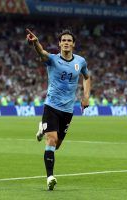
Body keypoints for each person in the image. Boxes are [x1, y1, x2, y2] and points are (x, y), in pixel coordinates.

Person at [26, 28, 90, 190]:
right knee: (51, 140)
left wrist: (86, 96)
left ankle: (42, 129)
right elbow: (42, 53)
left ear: (73, 44)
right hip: (52, 106)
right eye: (64, 40)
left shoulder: (80, 61)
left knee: (57, 145)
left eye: (69, 40)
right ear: (59, 44)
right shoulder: (53, 59)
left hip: (68, 110)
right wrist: (36, 43)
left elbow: (87, 77)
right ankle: (50, 177)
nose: (66, 43)